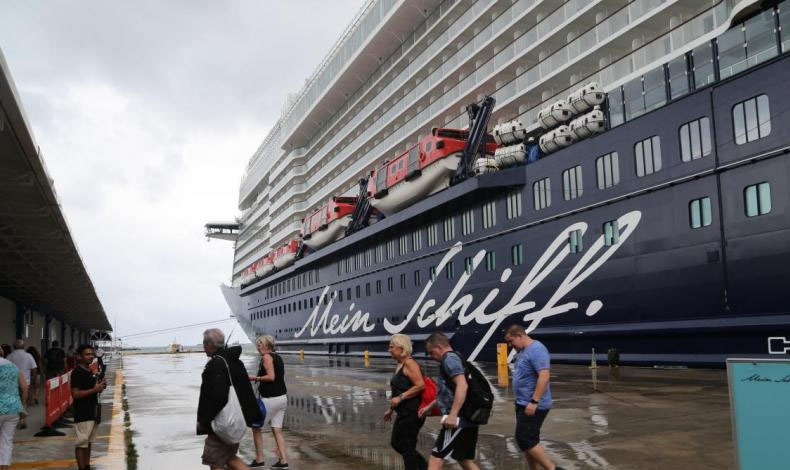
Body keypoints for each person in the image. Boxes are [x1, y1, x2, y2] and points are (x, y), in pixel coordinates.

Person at [197, 328, 262, 470]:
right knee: (228, 458)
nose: (202, 346)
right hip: (236, 419)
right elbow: (246, 390)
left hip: (221, 422)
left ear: (209, 344)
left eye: (203, 343)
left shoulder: (216, 364)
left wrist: (205, 420)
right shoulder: (235, 361)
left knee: (216, 462)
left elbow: (218, 397)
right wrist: (249, 414)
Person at [505, 325, 565, 470]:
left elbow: (544, 376)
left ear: (519, 335)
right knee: (530, 441)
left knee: (524, 439)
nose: (510, 345)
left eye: (511, 341)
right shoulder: (523, 351)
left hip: (533, 405)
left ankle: (552, 468)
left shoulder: (537, 350)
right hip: (523, 403)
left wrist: (534, 401)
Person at [419, 332, 479, 470]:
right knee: (463, 459)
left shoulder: (449, 360)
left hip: (458, 420)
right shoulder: (457, 357)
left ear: (439, 347)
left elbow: (462, 386)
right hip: (467, 417)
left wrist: (453, 415)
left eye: (432, 352)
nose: (432, 357)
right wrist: (429, 406)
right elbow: (448, 392)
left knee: (436, 458)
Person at [383, 334, 427, 470]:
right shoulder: (400, 364)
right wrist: (391, 409)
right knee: (402, 445)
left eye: (392, 347)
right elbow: (398, 389)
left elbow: (420, 385)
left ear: (401, 348)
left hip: (412, 412)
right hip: (404, 412)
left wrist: (401, 397)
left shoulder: (409, 363)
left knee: (403, 445)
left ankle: (426, 467)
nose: (389, 350)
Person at [248, 335, 289, 469]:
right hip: (282, 399)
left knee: (255, 426)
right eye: (258, 344)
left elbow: (271, 377)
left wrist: (255, 378)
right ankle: (283, 462)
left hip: (271, 399)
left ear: (267, 346)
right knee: (277, 430)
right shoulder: (278, 357)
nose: (258, 346)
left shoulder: (266, 357)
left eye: (260, 344)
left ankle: (259, 459)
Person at [71, 344, 106, 470]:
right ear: (79, 357)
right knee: (81, 443)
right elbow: (75, 394)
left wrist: (100, 387)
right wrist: (94, 389)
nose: (91, 356)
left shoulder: (89, 370)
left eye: (92, 354)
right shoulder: (77, 372)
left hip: (92, 411)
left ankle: (87, 465)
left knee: (89, 442)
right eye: (87, 354)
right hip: (82, 412)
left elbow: (94, 389)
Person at [0, 346, 28, 470]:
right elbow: (24, 387)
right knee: (7, 441)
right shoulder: (13, 366)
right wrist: (23, 405)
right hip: (13, 409)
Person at [6, 340, 36, 429]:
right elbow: (34, 369)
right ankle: (22, 420)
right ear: (24, 347)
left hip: (13, 383)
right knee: (24, 402)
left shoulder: (9, 356)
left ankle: (15, 420)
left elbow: (6, 370)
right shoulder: (28, 356)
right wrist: (34, 379)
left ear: (13, 347)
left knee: (15, 401)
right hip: (26, 383)